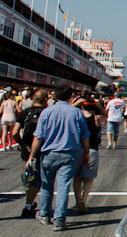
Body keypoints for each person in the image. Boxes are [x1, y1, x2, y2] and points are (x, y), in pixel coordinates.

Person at [27, 84, 90, 231]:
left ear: (55, 96)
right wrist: (86, 153)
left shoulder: (46, 112)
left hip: (49, 154)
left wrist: (31, 156)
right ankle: (59, 220)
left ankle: (44, 214)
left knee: (47, 185)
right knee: (63, 187)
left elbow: (38, 136)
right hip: (69, 154)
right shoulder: (76, 112)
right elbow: (85, 135)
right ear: (71, 97)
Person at [13, 89, 48, 218]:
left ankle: (29, 201)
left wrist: (21, 143)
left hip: (27, 149)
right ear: (45, 100)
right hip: (43, 149)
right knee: (38, 179)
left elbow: (15, 132)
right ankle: (28, 206)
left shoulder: (25, 113)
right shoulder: (46, 113)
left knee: (28, 176)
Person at [72, 93, 105, 214]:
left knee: (77, 177)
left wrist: (76, 103)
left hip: (77, 149)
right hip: (92, 150)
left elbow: (68, 110)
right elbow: (105, 115)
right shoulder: (96, 118)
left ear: (82, 106)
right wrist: (100, 106)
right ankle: (83, 199)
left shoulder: (76, 118)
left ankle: (77, 201)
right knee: (89, 178)